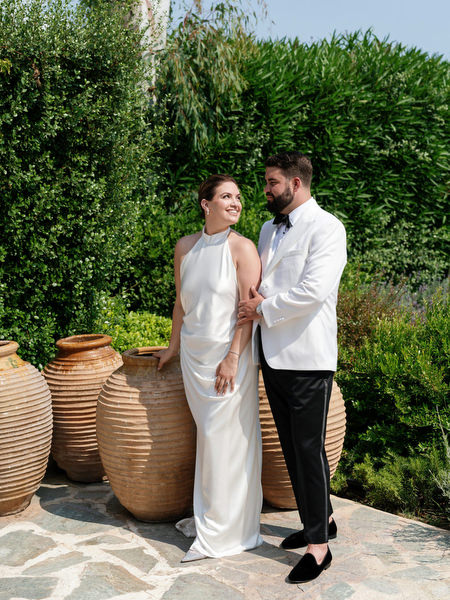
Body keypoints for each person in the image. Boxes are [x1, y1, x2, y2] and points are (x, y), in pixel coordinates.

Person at [238, 152, 347, 584]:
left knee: (308, 450)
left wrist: (262, 308)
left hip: (308, 359)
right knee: (292, 449)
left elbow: (313, 291)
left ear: (295, 184)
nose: (265, 190)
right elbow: (265, 281)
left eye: (271, 183)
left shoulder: (328, 227)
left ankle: (319, 550)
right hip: (272, 356)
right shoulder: (268, 228)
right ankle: (322, 520)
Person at [155, 174, 263, 562]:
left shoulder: (243, 249)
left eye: (238, 197)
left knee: (226, 441)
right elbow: (181, 304)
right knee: (209, 439)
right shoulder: (185, 247)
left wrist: (233, 357)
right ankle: (212, 517)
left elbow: (248, 313)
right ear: (206, 204)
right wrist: (172, 348)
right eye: (227, 196)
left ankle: (227, 531)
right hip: (194, 361)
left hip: (227, 361)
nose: (236, 203)